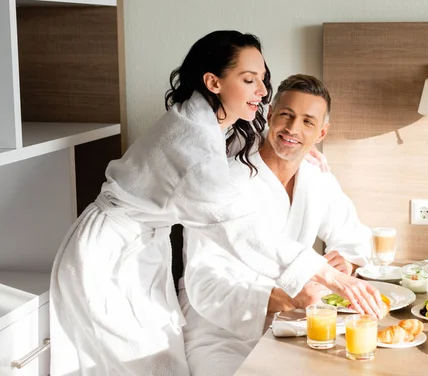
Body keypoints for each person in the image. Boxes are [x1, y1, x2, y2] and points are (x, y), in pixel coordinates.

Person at [49, 31, 381, 376]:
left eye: (263, 80)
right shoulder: (196, 153)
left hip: (138, 250)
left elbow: (241, 139)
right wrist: (327, 275)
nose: (262, 91)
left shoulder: (206, 122)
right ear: (214, 82)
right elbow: (243, 229)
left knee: (156, 365)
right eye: (250, 80)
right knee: (133, 368)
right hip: (108, 257)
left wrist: (296, 141)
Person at [180, 74, 374, 376]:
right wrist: (281, 298)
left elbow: (355, 236)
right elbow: (204, 285)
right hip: (219, 331)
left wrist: (346, 260)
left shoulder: (316, 177)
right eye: (286, 115)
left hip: (293, 324)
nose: (293, 129)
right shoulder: (226, 183)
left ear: (321, 133)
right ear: (270, 114)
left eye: (308, 122)